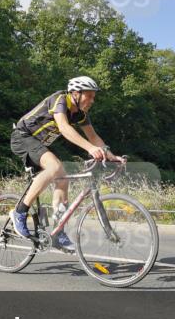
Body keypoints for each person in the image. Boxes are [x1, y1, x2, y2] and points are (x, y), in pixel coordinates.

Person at [9, 76, 115, 251]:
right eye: (89, 96)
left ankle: (58, 233)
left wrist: (110, 155)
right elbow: (65, 128)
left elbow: (94, 137)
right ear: (76, 93)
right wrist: (90, 149)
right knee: (55, 167)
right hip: (22, 137)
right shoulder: (60, 100)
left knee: (63, 179)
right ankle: (19, 212)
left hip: (39, 145)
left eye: (93, 97)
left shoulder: (80, 114)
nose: (92, 100)